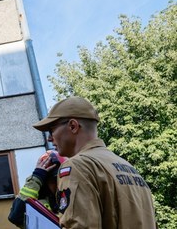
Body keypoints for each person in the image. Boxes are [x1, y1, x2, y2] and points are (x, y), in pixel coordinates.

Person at [32, 96, 157, 228]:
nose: (50, 139)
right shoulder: (129, 168)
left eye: (51, 130)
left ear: (73, 126)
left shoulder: (77, 166)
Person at [8, 150, 66, 228]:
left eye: (63, 179)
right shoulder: (40, 206)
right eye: (54, 180)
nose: (59, 184)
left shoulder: (73, 199)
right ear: (45, 184)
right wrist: (37, 177)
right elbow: (16, 216)